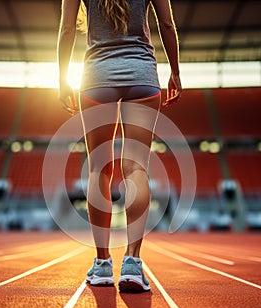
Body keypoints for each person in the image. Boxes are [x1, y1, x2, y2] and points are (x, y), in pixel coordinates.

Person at [57, 0, 182, 292]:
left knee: (99, 170)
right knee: (136, 169)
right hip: (143, 76)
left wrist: (63, 80)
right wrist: (175, 72)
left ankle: (102, 265)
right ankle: (133, 264)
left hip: (96, 79)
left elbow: (66, 31)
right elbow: (166, 25)